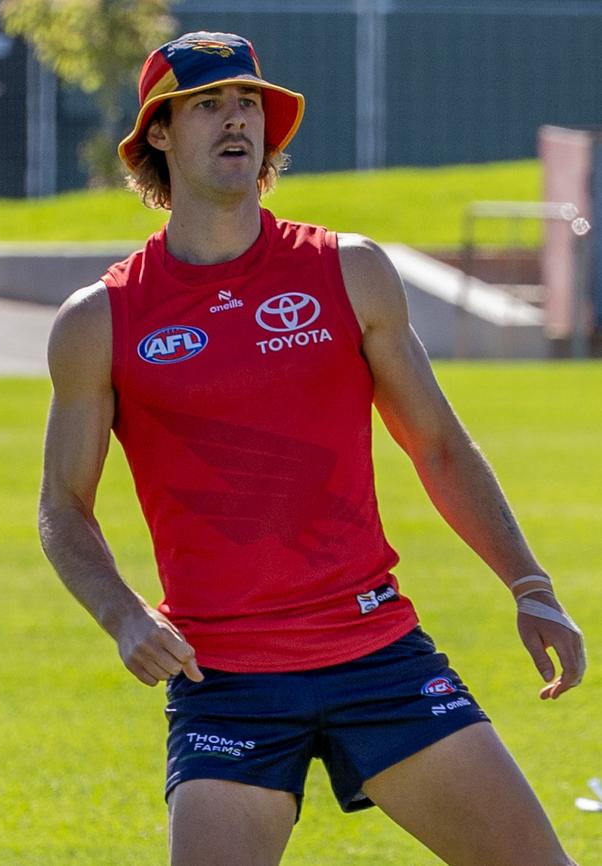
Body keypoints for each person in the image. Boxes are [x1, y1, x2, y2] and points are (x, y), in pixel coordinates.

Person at [39, 31, 586, 866]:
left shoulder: (350, 270)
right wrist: (121, 613)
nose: (237, 120)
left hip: (376, 654)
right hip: (221, 681)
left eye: (249, 102)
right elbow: (61, 506)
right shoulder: (100, 320)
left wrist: (530, 582)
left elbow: (437, 444)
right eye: (208, 104)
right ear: (157, 132)